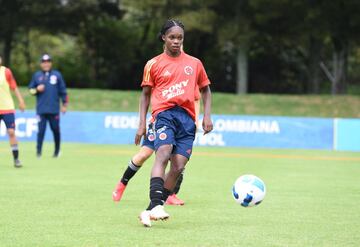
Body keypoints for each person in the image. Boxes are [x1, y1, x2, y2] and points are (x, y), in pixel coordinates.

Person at [136, 20, 213, 227]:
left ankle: (151, 208)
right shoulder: (153, 64)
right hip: (164, 114)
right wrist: (142, 123)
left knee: (178, 166)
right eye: (172, 37)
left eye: (179, 38)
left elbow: (205, 89)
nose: (176, 41)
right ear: (164, 38)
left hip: (187, 119)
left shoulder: (195, 63)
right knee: (163, 153)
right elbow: (145, 95)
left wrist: (207, 116)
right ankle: (156, 205)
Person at [28, 54, 68, 157]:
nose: (46, 64)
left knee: (55, 130)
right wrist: (37, 89)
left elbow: (63, 91)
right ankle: (38, 152)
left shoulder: (57, 75)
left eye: (48, 62)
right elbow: (30, 91)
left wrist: (64, 104)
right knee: (41, 131)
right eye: (44, 62)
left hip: (54, 109)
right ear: (41, 64)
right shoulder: (37, 75)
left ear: (51, 63)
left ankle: (57, 151)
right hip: (41, 109)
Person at [0, 56, 26, 167]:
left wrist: (21, 101)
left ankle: (16, 159)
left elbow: (14, 87)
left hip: (7, 108)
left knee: (11, 132)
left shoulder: (6, 71)